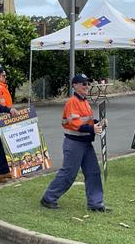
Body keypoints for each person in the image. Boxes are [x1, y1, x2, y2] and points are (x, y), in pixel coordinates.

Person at [41, 74, 109, 212]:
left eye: (88, 84)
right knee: (69, 173)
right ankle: (48, 198)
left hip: (85, 143)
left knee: (93, 172)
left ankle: (96, 204)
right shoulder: (72, 102)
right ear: (75, 86)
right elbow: (74, 124)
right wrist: (92, 128)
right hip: (74, 143)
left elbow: (87, 121)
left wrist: (98, 123)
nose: (87, 86)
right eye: (84, 84)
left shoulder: (84, 101)